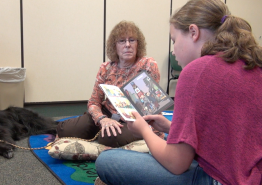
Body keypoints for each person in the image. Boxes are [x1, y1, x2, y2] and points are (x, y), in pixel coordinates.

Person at [95, 0, 262, 184]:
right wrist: (170, 127)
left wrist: (143, 129)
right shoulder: (251, 64)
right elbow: (226, 135)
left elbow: (176, 163)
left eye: (174, 41)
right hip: (250, 174)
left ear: (193, 32)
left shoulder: (196, 71)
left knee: (107, 161)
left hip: (222, 180)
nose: (173, 52)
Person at [57, 20, 164, 147]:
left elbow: (150, 106)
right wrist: (102, 119)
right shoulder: (106, 68)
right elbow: (93, 103)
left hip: (136, 119)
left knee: (107, 137)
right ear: (115, 46)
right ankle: (101, 127)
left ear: (138, 44)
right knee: (64, 129)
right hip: (108, 113)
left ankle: (107, 133)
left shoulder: (148, 65)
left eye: (132, 40)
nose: (128, 45)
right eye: (122, 41)